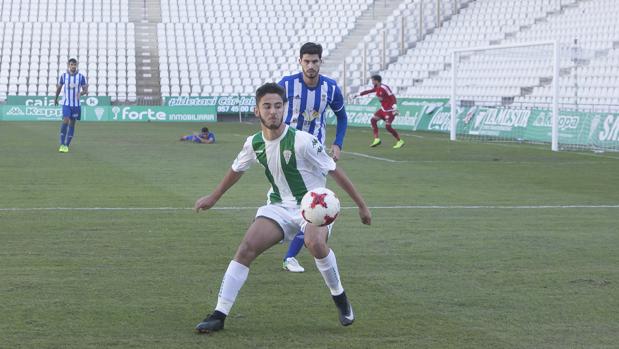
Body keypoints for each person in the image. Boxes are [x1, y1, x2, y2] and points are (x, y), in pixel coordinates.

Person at [193, 83, 371, 334]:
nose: (273, 111)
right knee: (245, 249)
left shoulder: (303, 141)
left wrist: (362, 206)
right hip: (278, 206)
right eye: (267, 106)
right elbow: (236, 170)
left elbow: (334, 170)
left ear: (285, 109)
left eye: (278, 106)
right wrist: (213, 197)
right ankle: (219, 314)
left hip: (314, 207)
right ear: (257, 111)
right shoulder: (253, 143)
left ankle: (339, 297)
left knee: (315, 243)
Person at [277, 42, 349, 272]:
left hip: (316, 156)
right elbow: (270, 108)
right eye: (306, 61)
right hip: (289, 152)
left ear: (320, 62)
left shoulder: (330, 87)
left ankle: (290, 255)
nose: (310, 66)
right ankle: (281, 229)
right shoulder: (287, 85)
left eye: (314, 61)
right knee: (291, 200)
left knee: (314, 203)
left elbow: (342, 117)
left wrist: (337, 144)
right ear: (300, 61)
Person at [356, 75, 405, 149]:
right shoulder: (377, 87)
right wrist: (359, 94)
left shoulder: (384, 87)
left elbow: (392, 96)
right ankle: (377, 139)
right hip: (383, 109)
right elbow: (369, 91)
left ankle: (400, 141)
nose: (372, 82)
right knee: (373, 120)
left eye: (372, 80)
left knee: (388, 127)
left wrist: (395, 105)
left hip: (390, 110)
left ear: (376, 81)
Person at [54, 58, 88, 153]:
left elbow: (85, 90)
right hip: (66, 103)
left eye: (74, 64)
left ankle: (67, 145)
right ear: (68, 65)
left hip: (76, 105)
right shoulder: (63, 76)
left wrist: (81, 93)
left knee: (72, 123)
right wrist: (55, 98)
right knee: (65, 120)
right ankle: (61, 144)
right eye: (71, 64)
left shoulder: (81, 77)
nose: (73, 66)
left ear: (76, 65)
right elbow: (59, 88)